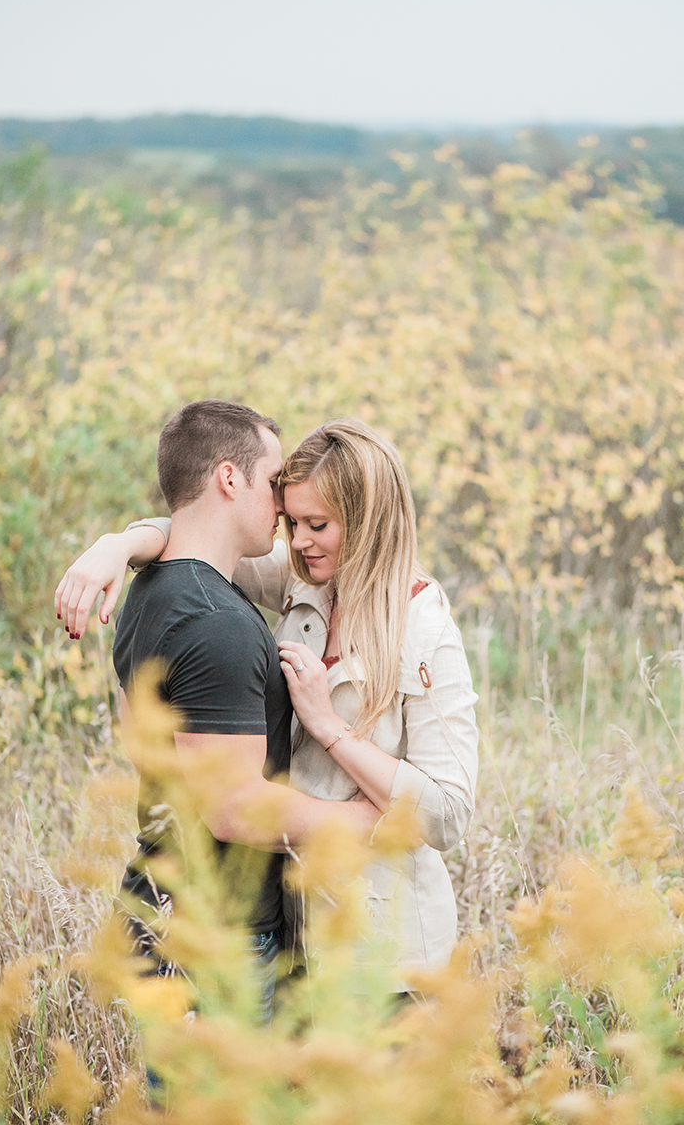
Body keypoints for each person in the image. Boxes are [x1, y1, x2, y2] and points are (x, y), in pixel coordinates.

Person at [55, 417, 479, 985]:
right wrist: (119, 544)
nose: (297, 541)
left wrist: (329, 728)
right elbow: (202, 536)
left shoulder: (426, 632)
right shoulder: (305, 580)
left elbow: (447, 816)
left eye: (317, 524)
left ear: (368, 519)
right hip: (295, 932)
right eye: (292, 520)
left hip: (383, 950)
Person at [81, 400, 380, 1027]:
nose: (282, 504)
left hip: (169, 914)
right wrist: (357, 818)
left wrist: (122, 541)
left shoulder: (152, 590)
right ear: (227, 478)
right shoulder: (218, 623)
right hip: (216, 940)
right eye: (272, 483)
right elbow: (234, 809)